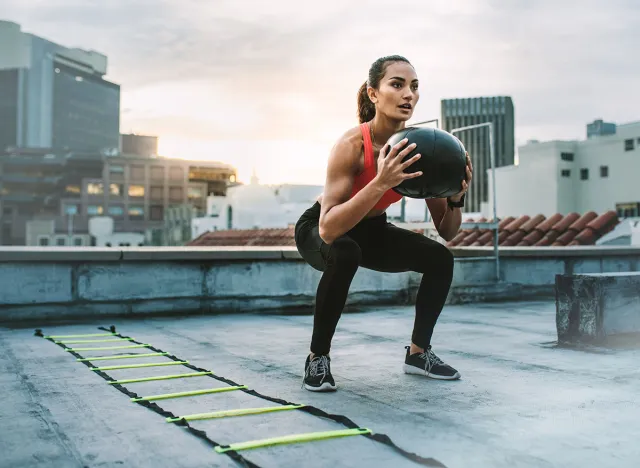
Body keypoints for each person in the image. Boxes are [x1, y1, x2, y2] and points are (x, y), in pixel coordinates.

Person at [294, 55, 473, 392]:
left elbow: (447, 231)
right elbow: (329, 229)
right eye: (397, 84)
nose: (409, 94)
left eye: (415, 87)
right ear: (373, 93)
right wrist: (380, 181)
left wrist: (455, 197)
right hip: (321, 227)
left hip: (372, 229)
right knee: (345, 251)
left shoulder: (419, 148)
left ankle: (418, 354)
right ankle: (317, 358)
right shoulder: (351, 145)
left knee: (440, 259)